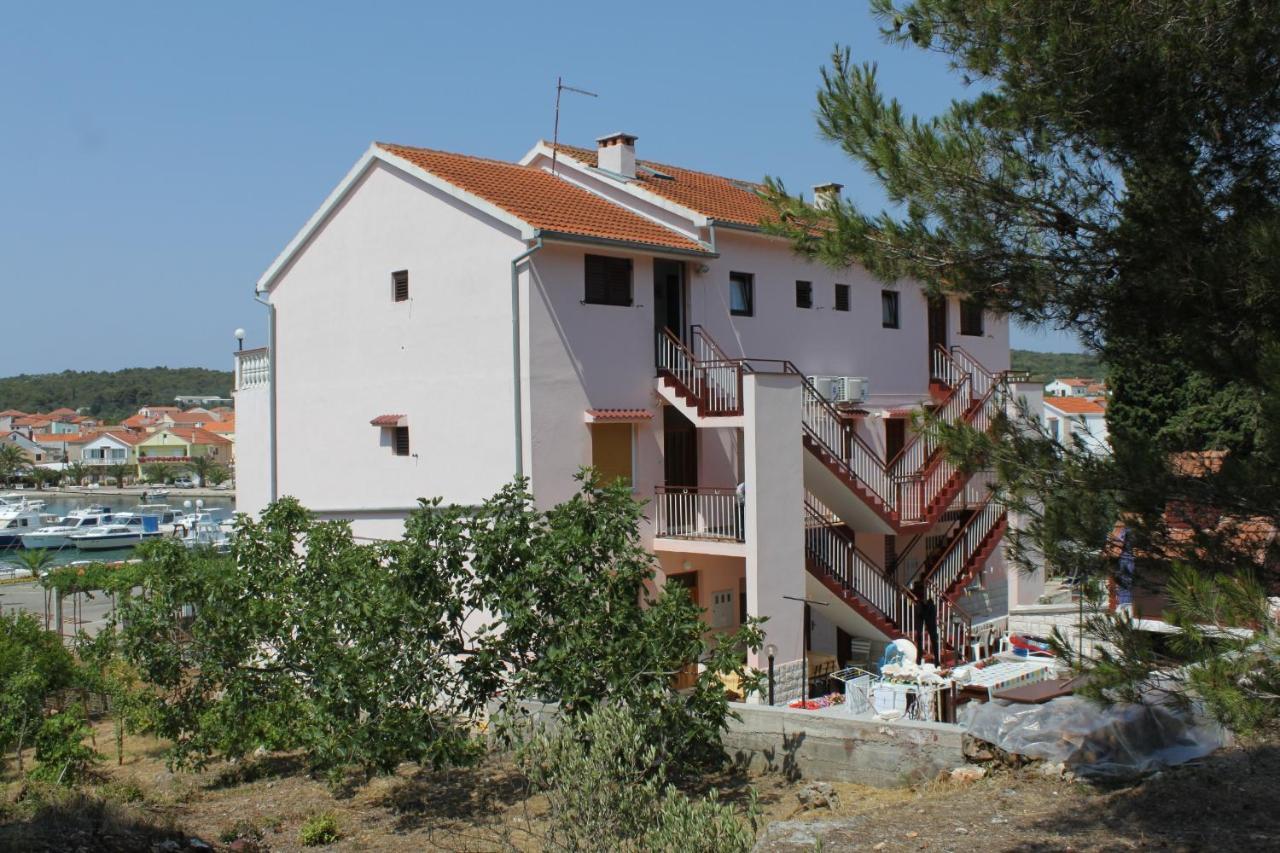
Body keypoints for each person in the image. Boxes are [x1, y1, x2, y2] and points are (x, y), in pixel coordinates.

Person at [913, 579, 939, 665]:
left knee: (933, 635)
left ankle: (936, 659)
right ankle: (919, 658)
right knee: (919, 635)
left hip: (929, 607)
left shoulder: (930, 589)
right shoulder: (917, 588)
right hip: (921, 607)